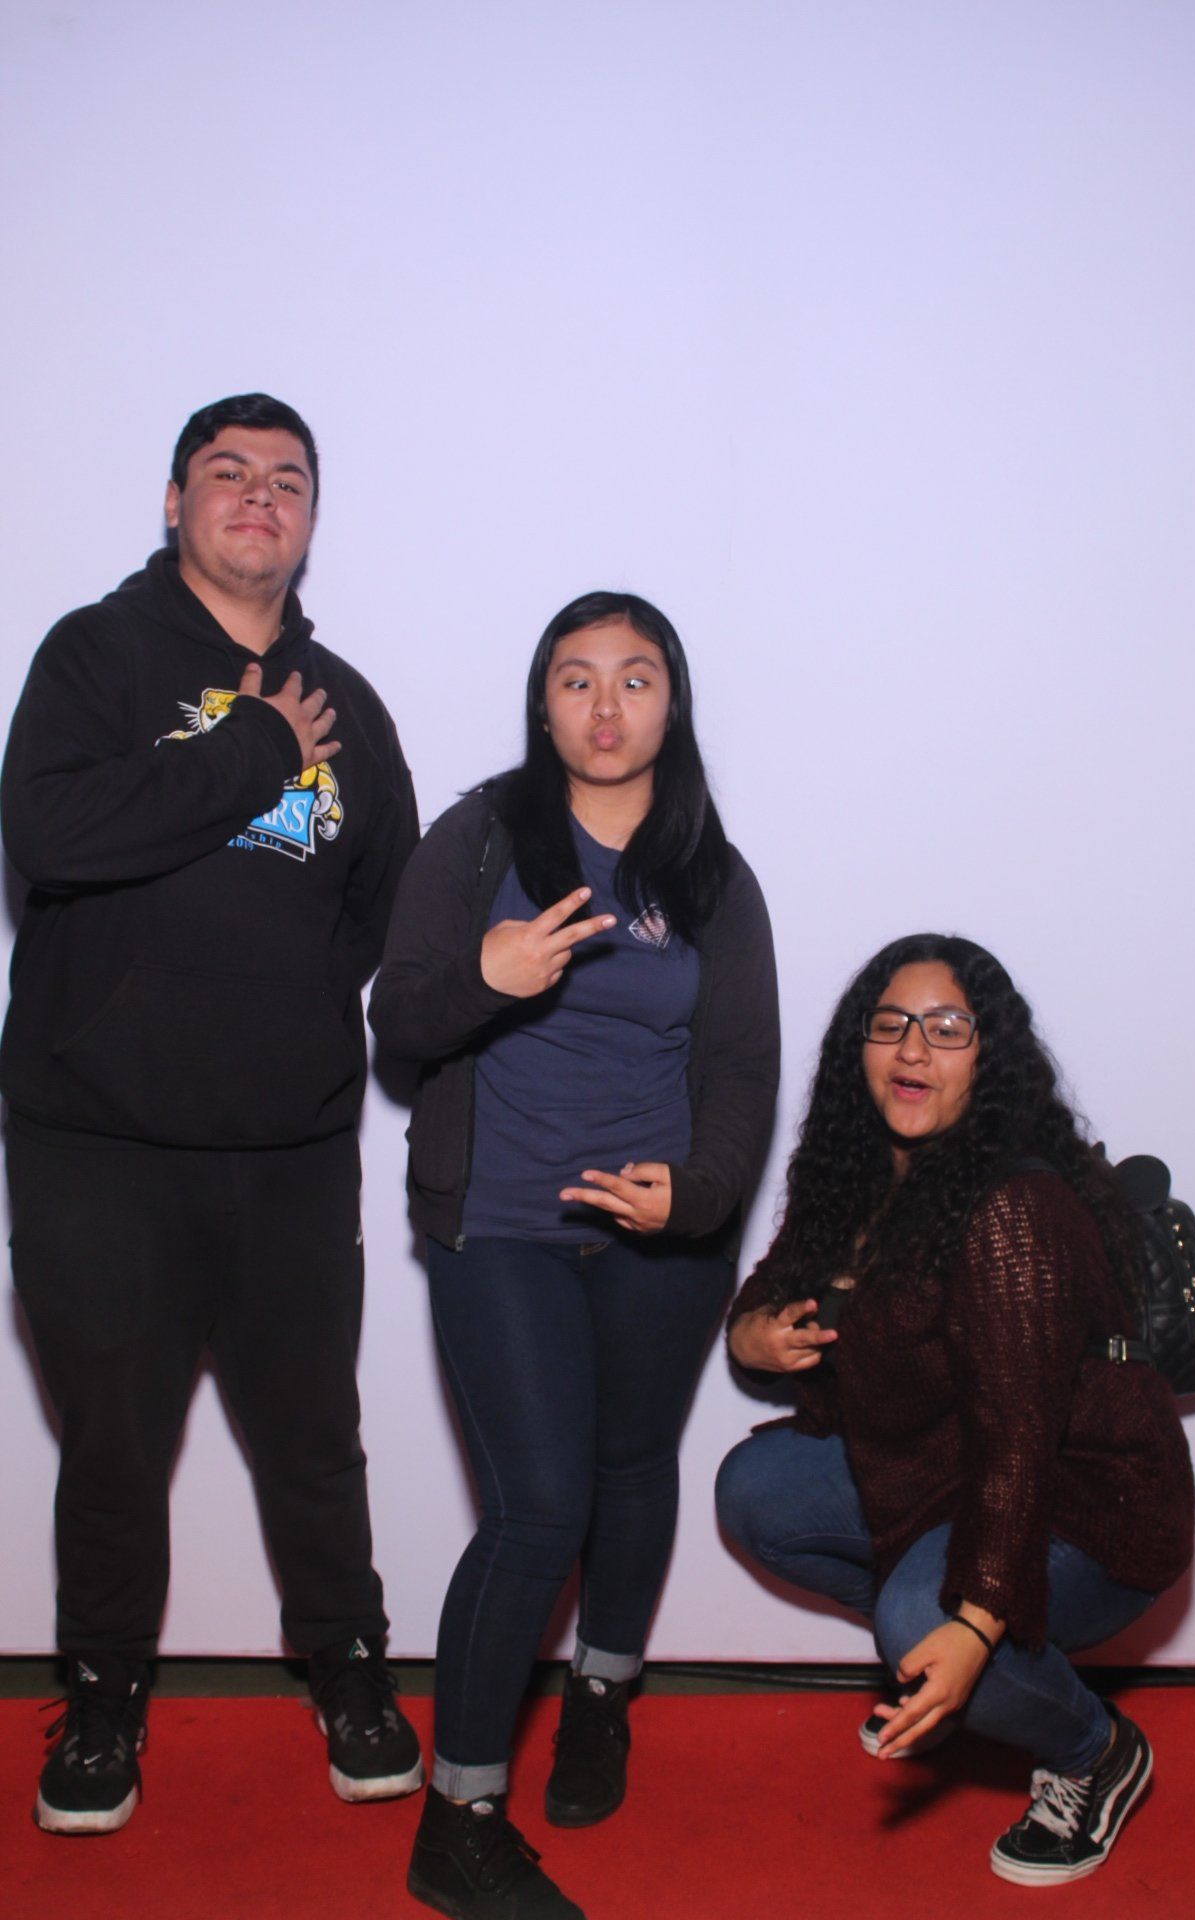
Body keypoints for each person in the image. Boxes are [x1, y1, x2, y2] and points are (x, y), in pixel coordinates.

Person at [2, 394, 423, 1834]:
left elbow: (379, 908)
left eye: (287, 479)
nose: (258, 496)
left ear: (310, 517)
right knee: (114, 1446)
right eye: (227, 472)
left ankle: (349, 1667)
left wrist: (286, 1017)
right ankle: (103, 1693)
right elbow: (49, 832)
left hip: (288, 1149)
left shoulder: (347, 702)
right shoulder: (97, 654)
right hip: (99, 1142)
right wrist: (252, 751)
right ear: (174, 502)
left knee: (313, 1438)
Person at [369, 590, 779, 1919]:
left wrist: (696, 1196)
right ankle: (460, 1816)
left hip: (659, 1230)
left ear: (672, 702)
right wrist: (484, 976)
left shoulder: (711, 873)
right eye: (576, 678)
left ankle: (602, 1689)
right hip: (504, 1224)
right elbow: (399, 1022)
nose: (605, 706)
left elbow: (742, 1070)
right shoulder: (481, 837)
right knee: (539, 1508)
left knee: (631, 1466)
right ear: (542, 704)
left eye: (635, 677)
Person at [715, 934, 1195, 1888]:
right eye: (890, 1024)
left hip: (1082, 1504)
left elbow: (1020, 1444)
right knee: (755, 1491)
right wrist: (751, 1336)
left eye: (946, 1028)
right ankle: (961, 1672)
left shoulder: (1013, 1207)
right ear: (858, 1045)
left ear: (989, 1054)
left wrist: (971, 1627)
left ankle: (1092, 1750)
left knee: (917, 1619)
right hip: (945, 1468)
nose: (912, 1049)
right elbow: (776, 1284)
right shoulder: (860, 1171)